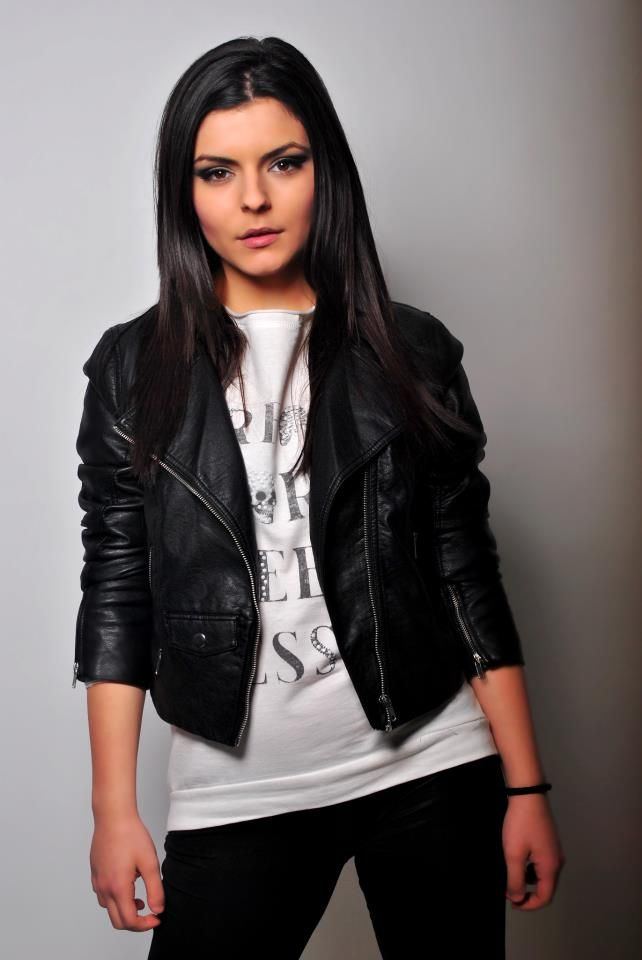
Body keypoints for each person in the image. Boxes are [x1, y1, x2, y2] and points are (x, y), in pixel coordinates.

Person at [72, 35, 565, 959]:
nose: (252, 200)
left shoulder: (411, 351)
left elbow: (463, 569)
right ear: (184, 192)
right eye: (217, 172)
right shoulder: (134, 370)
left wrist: (526, 787)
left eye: (284, 162)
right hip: (238, 789)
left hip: (431, 767)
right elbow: (117, 588)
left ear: (323, 171)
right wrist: (114, 810)